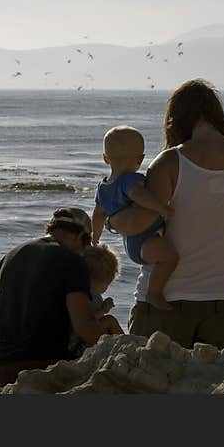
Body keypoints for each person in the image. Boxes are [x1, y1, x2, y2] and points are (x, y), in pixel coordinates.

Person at [107, 79, 224, 349]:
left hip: (166, 303)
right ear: (217, 116)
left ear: (174, 120)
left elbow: (137, 223)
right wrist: (222, 244)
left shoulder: (170, 161)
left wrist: (109, 221)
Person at [0, 207, 122, 386]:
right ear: (80, 236)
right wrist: (119, 354)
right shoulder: (73, 262)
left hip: (3, 370)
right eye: (87, 243)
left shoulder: (10, 256)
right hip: (48, 367)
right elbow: (85, 329)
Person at [92, 125, 178, 310]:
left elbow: (98, 215)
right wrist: (163, 208)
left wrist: (95, 237)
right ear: (140, 160)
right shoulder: (129, 179)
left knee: (167, 257)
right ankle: (154, 292)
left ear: (105, 159)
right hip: (145, 239)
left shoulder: (103, 187)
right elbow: (140, 196)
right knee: (170, 258)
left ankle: (153, 292)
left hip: (132, 242)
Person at [69, 245, 121, 358]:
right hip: (75, 346)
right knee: (110, 320)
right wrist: (103, 310)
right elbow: (86, 320)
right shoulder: (92, 295)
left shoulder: (72, 289)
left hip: (64, 342)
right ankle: (126, 346)